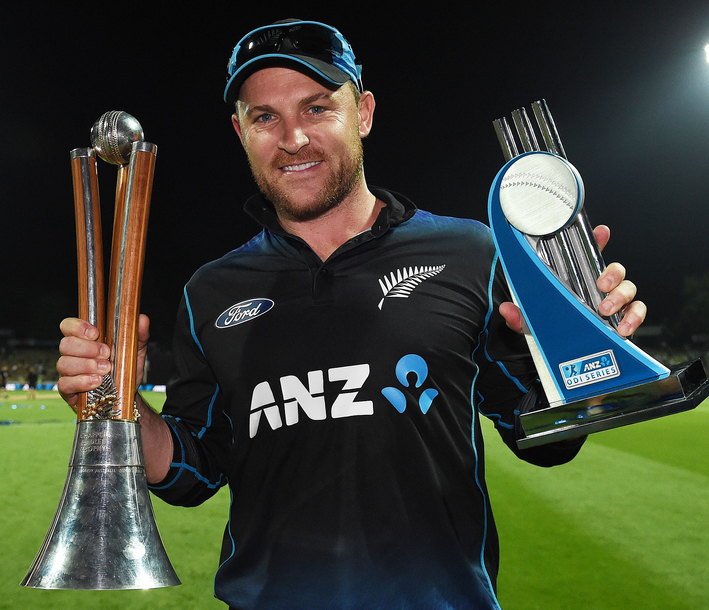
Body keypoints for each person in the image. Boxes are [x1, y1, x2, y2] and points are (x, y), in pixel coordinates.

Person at [57, 20, 646, 610]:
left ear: (362, 113)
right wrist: (117, 403)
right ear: (240, 132)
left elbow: (542, 439)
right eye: (265, 117)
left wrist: (579, 354)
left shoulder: (471, 253)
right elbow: (194, 471)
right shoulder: (209, 292)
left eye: (317, 108)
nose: (293, 139)